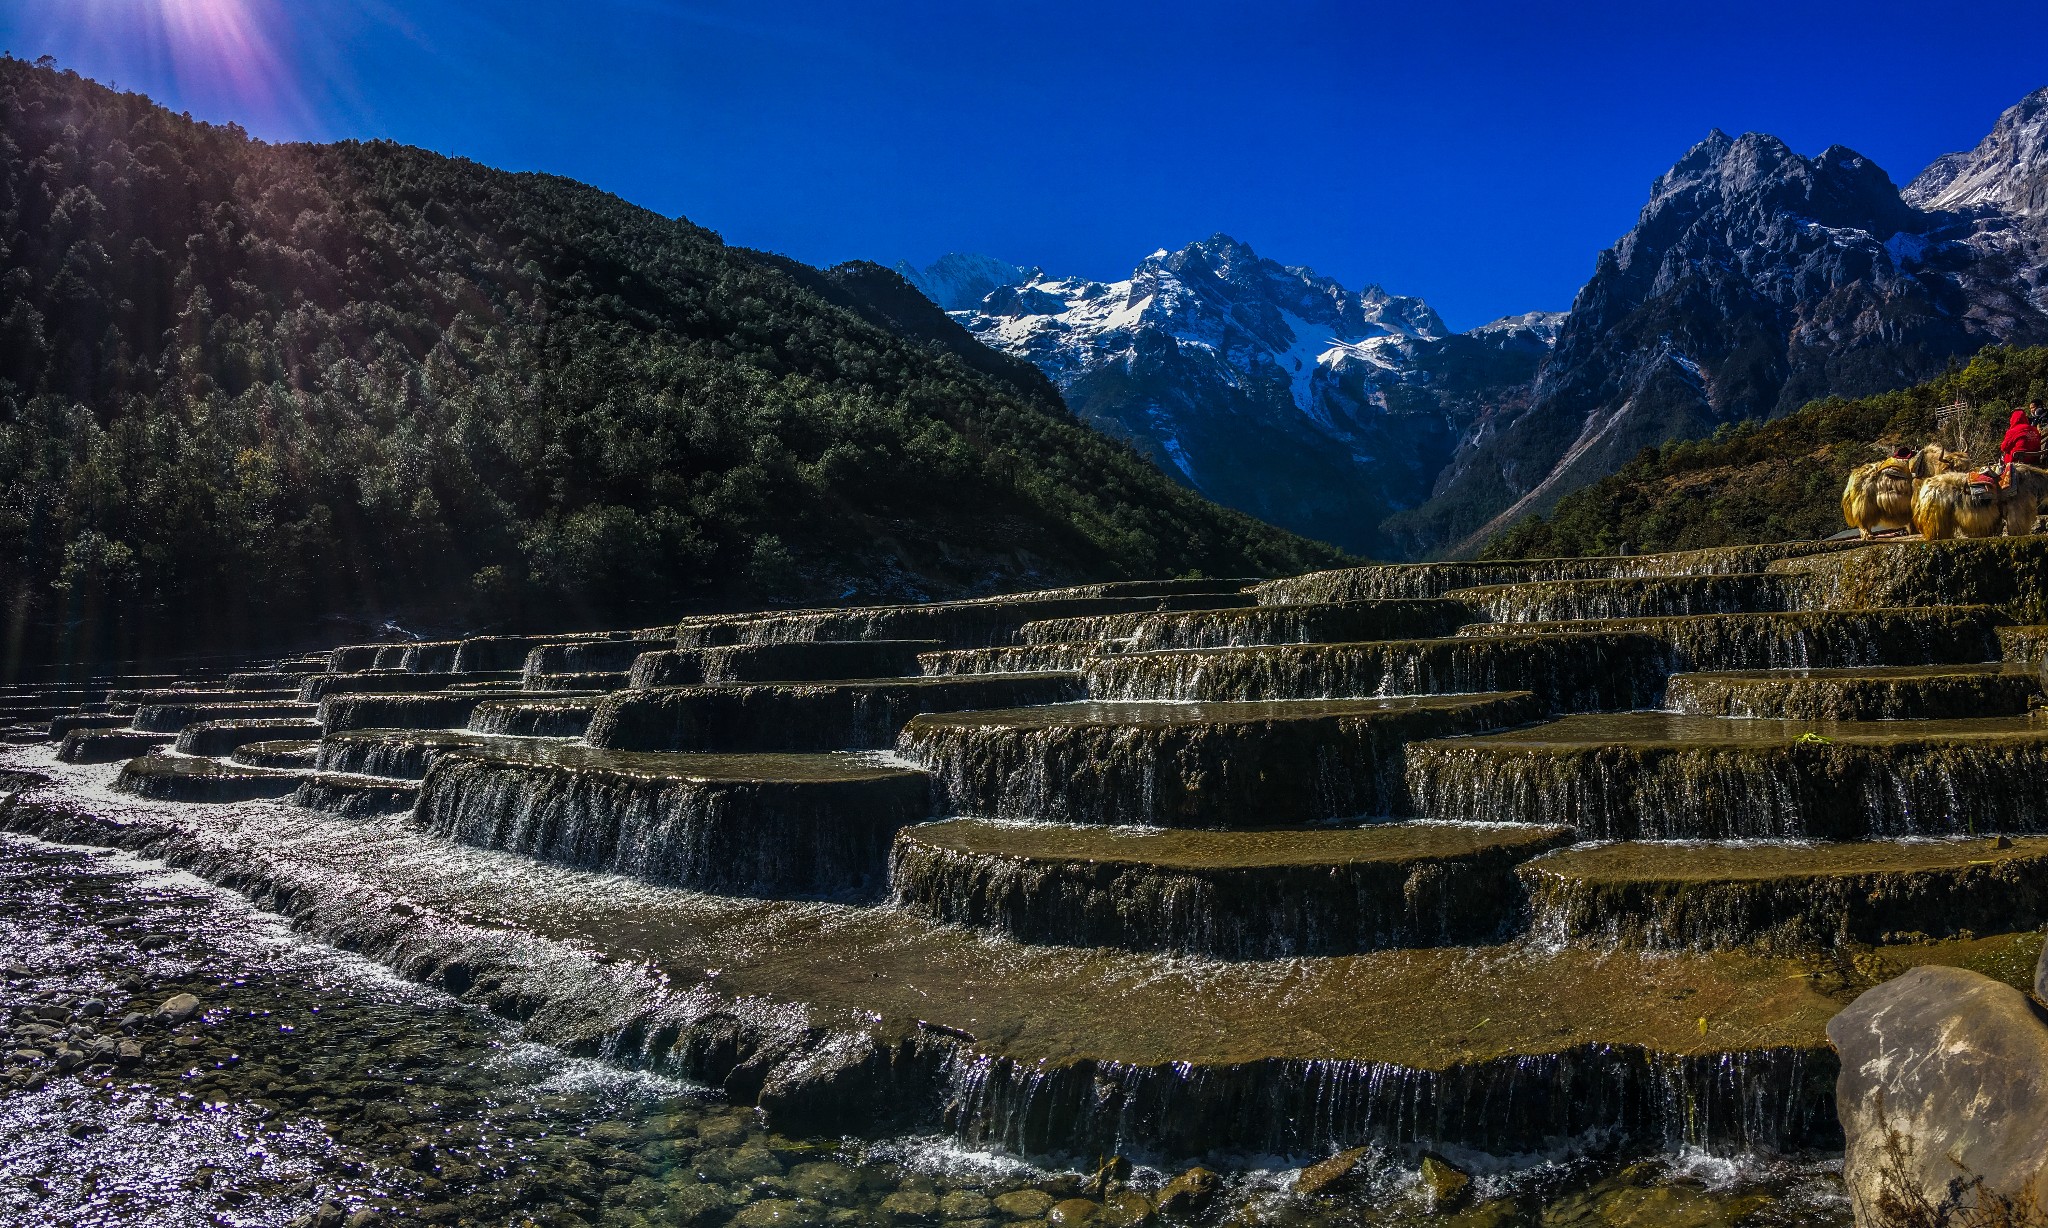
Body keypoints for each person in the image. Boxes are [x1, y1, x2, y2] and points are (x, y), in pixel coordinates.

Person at [2003, 403, 2043, 471]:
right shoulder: (2034, 429)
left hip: (2018, 462)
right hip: (2034, 460)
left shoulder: (2012, 431)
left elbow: (2004, 447)